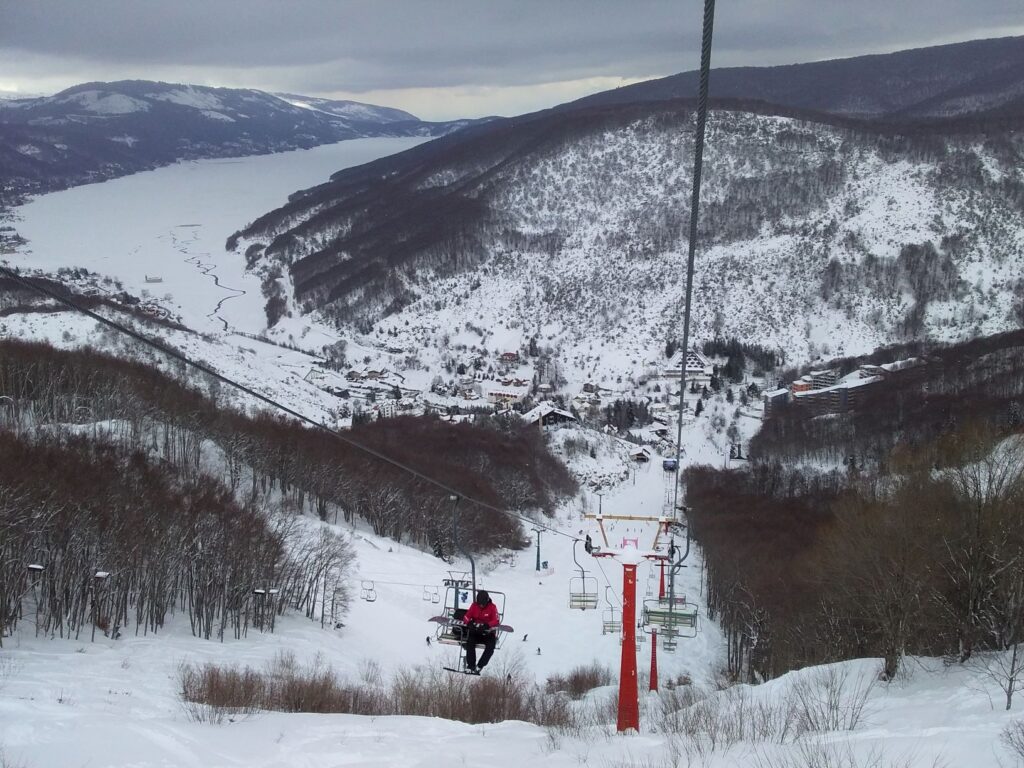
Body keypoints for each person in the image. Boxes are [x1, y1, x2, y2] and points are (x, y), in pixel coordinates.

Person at [461, 590, 499, 673]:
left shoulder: (492, 607)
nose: (481, 606)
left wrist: (487, 625)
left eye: (483, 604)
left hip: (488, 633)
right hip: (476, 631)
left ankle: (480, 665)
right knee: (470, 642)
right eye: (480, 604)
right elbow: (466, 617)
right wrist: (469, 623)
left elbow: (496, 620)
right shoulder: (474, 606)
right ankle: (471, 665)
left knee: (491, 647)